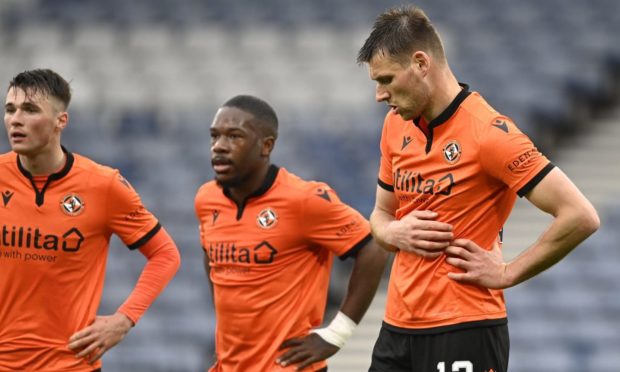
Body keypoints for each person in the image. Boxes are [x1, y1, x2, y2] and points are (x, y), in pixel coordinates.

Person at [356, 6, 600, 372]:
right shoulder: (395, 126)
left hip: (464, 325)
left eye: (387, 80)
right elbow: (380, 215)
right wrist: (393, 230)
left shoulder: (489, 133)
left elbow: (580, 216)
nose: (379, 94)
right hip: (398, 326)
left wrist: (507, 273)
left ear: (421, 64)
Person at [0, 69, 181, 371]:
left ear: (61, 121)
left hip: (71, 365)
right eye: (10, 109)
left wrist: (125, 319)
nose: (15, 119)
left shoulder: (103, 185)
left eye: (30, 110)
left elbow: (166, 254)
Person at [194, 95, 388, 371]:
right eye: (215, 136)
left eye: (234, 137)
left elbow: (373, 249)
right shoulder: (206, 199)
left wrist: (337, 334)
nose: (219, 147)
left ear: (266, 145)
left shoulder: (303, 200)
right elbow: (211, 253)